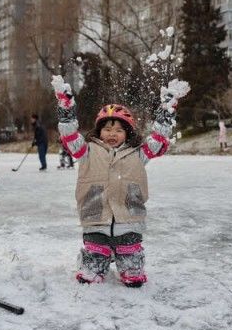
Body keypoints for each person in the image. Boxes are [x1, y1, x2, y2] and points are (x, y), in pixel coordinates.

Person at [51, 75, 189, 287]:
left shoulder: (138, 153)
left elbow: (158, 140)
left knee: (131, 261)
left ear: (128, 133)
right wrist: (66, 108)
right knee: (94, 260)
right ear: (99, 131)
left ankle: (130, 262)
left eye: (118, 130)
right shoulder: (86, 151)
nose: (112, 134)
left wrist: (166, 111)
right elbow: (69, 136)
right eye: (107, 129)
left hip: (129, 220)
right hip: (96, 218)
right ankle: (95, 260)